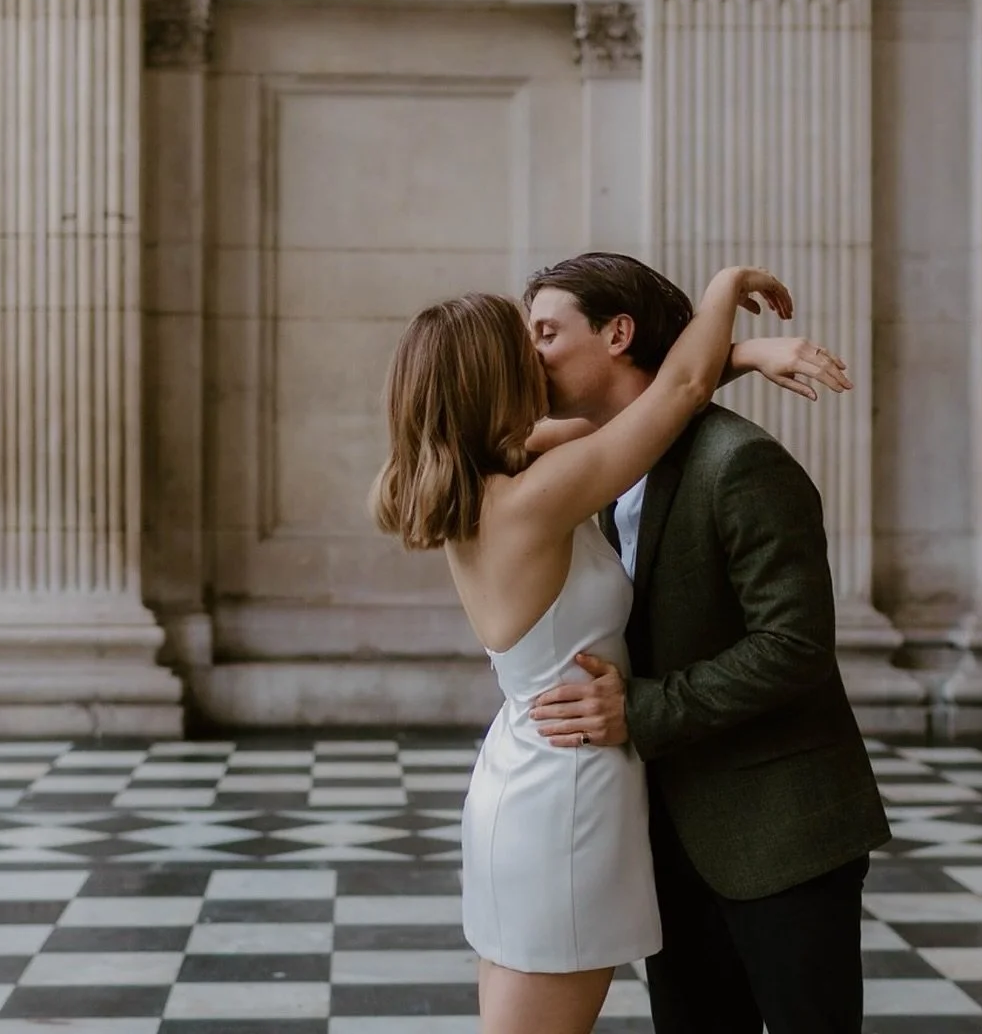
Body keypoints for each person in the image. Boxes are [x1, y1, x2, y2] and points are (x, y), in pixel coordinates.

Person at [372, 265, 821, 1034]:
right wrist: (723, 289)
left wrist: (738, 359)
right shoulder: (534, 498)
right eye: (524, 346)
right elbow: (674, 395)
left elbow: (615, 415)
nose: (537, 358)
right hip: (564, 790)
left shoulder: (485, 479)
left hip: (528, 772)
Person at [525, 252, 890, 1034]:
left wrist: (641, 710)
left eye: (547, 332)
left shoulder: (740, 465)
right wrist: (743, 352)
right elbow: (669, 397)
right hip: (668, 831)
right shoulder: (599, 458)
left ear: (618, 334)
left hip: (781, 829)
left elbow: (794, 646)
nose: (533, 353)